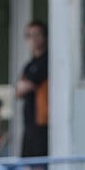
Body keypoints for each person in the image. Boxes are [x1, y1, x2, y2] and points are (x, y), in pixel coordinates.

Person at [16, 20, 49, 158]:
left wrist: (26, 86)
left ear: (45, 37)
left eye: (37, 34)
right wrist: (25, 86)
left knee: (39, 163)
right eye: (29, 35)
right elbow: (18, 90)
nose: (33, 39)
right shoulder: (29, 64)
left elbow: (28, 85)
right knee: (29, 163)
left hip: (42, 121)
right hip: (29, 122)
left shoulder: (47, 61)